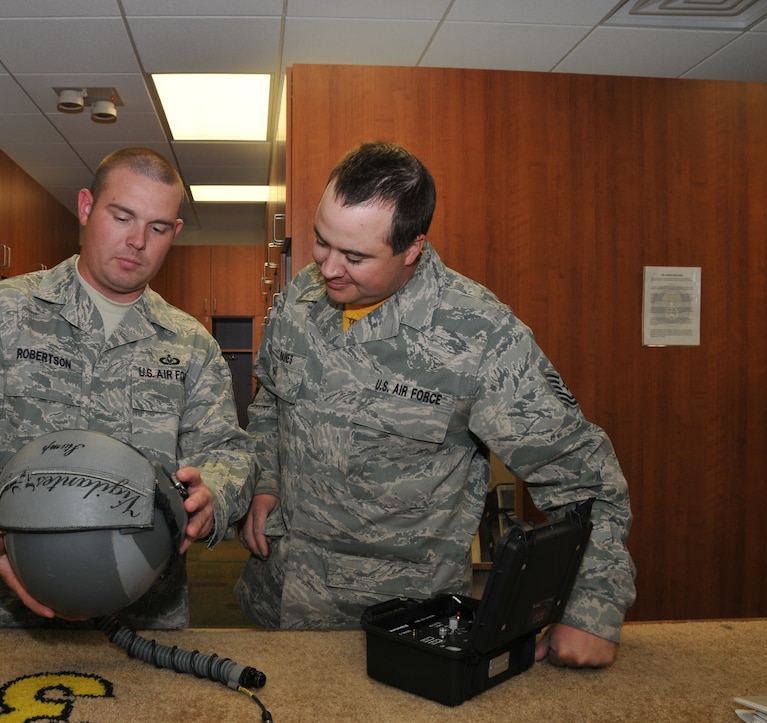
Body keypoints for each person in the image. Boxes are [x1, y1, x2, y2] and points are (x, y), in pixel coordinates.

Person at [235, 141, 635, 668]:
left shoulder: (481, 336)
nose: (329, 269)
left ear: (412, 247)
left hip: (401, 624)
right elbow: (270, 404)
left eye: (354, 257)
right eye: (321, 242)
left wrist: (591, 608)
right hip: (279, 602)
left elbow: (586, 481)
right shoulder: (299, 301)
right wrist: (265, 482)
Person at [0, 146, 254, 629]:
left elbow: (227, 453)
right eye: (122, 216)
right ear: (86, 208)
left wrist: (213, 495)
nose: (137, 241)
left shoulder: (191, 346)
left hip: (137, 614)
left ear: (175, 233)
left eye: (157, 227)